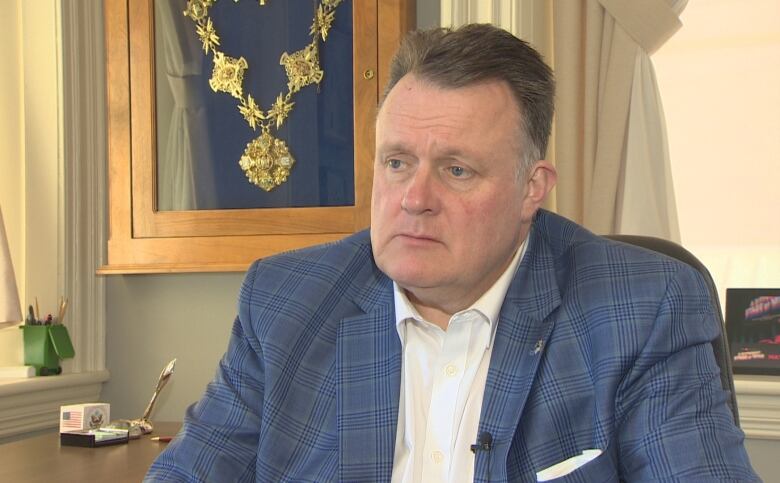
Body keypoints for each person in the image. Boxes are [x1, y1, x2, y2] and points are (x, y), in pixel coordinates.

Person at [146, 24, 758, 482]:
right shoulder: (286, 301)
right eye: (397, 162)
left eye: (457, 170)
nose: (414, 199)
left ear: (531, 188)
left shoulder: (642, 308)